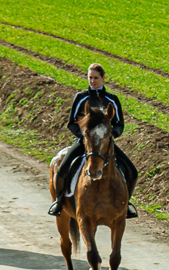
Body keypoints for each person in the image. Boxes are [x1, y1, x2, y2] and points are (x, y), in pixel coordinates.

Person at [48, 63, 139, 219]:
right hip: (84, 142)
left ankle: (126, 205)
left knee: (132, 171)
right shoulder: (80, 97)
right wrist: (84, 137)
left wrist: (111, 136)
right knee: (62, 169)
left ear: (103, 78)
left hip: (105, 144)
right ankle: (60, 201)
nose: (93, 81)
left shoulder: (112, 99)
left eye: (96, 78)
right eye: (90, 78)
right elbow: (71, 123)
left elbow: (119, 123)